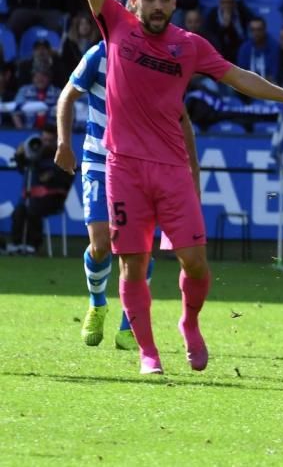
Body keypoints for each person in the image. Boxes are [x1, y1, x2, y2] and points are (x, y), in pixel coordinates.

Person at [31, 0, 283, 376]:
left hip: (171, 169)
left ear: (174, 3)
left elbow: (239, 77)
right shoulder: (116, 27)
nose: (155, 4)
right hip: (122, 166)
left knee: (195, 265)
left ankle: (189, 324)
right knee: (131, 265)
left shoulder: (188, 46)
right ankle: (149, 353)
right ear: (134, 0)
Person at [55, 40, 199, 351]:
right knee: (101, 244)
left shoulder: (158, 58)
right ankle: (97, 303)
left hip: (141, 165)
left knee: (140, 249)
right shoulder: (99, 54)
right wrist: (63, 143)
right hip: (99, 160)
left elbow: (178, 116)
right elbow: (68, 95)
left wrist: (187, 166)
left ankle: (128, 325)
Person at [7, 124, 74, 255]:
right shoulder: (35, 153)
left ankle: (33, 245)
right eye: (44, 139)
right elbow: (22, 168)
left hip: (53, 199)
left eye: (50, 140)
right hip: (33, 198)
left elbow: (68, 177)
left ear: (56, 140)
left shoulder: (63, 155)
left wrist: (53, 176)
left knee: (33, 209)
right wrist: (19, 154)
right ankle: (18, 244)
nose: (46, 143)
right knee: (19, 211)